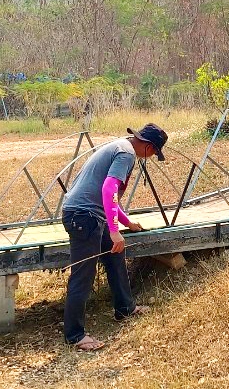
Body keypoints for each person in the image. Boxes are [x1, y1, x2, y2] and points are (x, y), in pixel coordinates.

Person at [61, 123, 168, 351]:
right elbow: (109, 190)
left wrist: (127, 223)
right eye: (154, 153)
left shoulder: (120, 147)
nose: (150, 157)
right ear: (150, 147)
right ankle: (74, 335)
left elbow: (109, 197)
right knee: (83, 275)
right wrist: (114, 230)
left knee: (115, 256)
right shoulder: (127, 154)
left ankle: (125, 308)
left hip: (88, 214)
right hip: (84, 217)